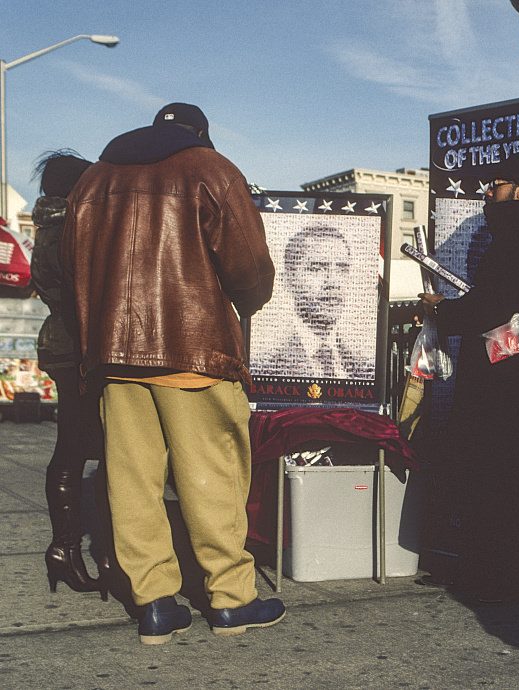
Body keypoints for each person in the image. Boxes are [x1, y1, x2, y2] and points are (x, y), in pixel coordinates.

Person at [62, 103, 282, 644]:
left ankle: (156, 604)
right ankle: (231, 600)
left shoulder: (92, 181)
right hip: (195, 350)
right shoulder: (211, 169)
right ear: (198, 133)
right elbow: (249, 267)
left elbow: (73, 272)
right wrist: (246, 302)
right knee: (212, 475)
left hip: (114, 356)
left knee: (131, 482)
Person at [418, 154, 519, 603]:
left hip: (504, 378)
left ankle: (491, 577)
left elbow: (492, 307)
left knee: (492, 474)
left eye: (495, 184)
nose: (487, 192)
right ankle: (496, 574)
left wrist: (442, 310)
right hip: (514, 372)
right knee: (503, 474)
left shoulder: (517, 238)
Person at [29, 150, 107, 599]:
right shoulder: (73, 229)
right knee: (90, 448)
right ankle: (81, 549)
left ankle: (67, 551)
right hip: (80, 350)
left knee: (75, 446)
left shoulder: (48, 226)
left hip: (62, 345)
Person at [253, 226, 373, 379]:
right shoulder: (264, 366)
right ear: (288, 281)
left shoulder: (364, 368)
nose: (332, 282)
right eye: (317, 269)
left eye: (342, 269)